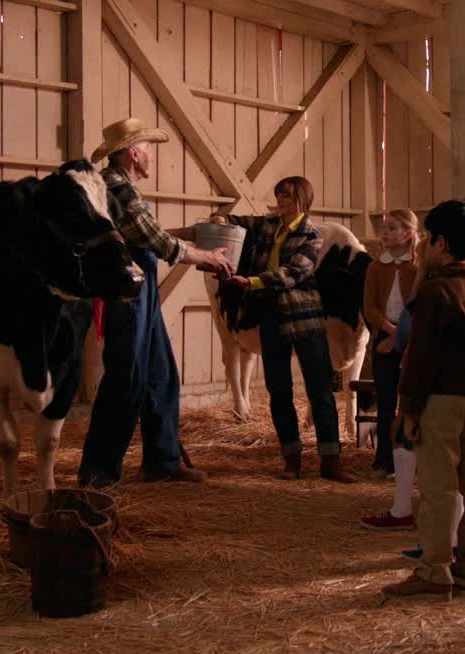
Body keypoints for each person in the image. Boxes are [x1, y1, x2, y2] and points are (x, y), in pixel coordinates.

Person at [78, 118, 232, 487]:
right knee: (126, 379)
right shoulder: (119, 189)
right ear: (133, 153)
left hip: (140, 292)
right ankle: (98, 471)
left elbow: (142, 235)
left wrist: (187, 234)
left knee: (160, 373)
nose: (152, 157)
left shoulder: (119, 187)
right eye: (148, 149)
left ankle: (162, 461)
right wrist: (206, 256)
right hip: (127, 293)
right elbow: (159, 244)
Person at [382, 200, 465, 600]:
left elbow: (422, 356)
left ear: (441, 243)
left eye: (429, 238)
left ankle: (435, 569)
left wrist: (409, 409)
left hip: (439, 398)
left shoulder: (435, 291)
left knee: (438, 485)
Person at [221, 176, 354, 483]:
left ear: (302, 200)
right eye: (279, 194)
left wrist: (252, 282)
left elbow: (292, 273)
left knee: (320, 389)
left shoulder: (312, 235)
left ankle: (330, 461)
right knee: (278, 390)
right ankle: (291, 460)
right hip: (272, 316)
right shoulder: (268, 226)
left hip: (304, 317)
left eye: (287, 196)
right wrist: (219, 218)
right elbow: (239, 221)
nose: (280, 200)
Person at [362, 209, 420, 477]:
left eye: (392, 228)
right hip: (385, 336)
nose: (384, 232)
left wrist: (401, 337)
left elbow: (419, 306)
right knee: (385, 401)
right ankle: (384, 461)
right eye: (384, 227)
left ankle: (410, 458)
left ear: (408, 234)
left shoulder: (417, 266)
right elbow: (370, 307)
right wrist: (389, 331)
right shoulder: (376, 266)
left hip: (412, 339)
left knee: (410, 402)